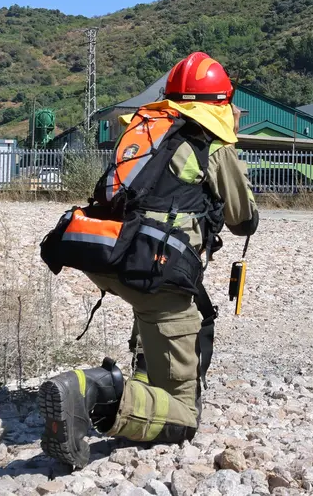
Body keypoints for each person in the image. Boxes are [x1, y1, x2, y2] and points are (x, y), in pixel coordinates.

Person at [38, 52, 258, 468]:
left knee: (161, 302)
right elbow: (243, 219)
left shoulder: (147, 129)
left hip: (114, 257)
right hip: (154, 269)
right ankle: (92, 393)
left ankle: (143, 376)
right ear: (220, 105)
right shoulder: (210, 145)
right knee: (184, 415)